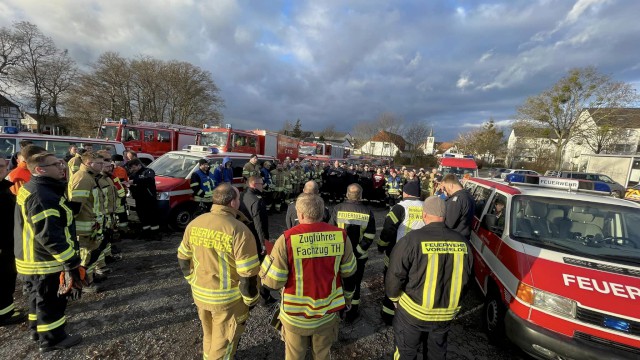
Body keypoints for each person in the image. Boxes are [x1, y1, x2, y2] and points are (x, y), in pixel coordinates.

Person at [259, 194, 357, 360]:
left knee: (294, 356)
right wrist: (347, 299)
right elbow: (349, 273)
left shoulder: (286, 239)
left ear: (300, 214)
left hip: (295, 317)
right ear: (322, 213)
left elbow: (273, 282)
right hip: (327, 313)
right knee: (322, 355)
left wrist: (268, 260)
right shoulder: (341, 236)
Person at [177, 184, 260, 360]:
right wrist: (251, 300)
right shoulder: (239, 231)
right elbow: (248, 274)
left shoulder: (195, 223)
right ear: (232, 203)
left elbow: (183, 257)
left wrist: (192, 279)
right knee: (224, 343)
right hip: (227, 301)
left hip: (200, 294)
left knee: (209, 333)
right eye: (238, 198)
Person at [386, 196, 473, 359]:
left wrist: (394, 297)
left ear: (424, 215)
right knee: (436, 353)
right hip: (445, 314)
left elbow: (395, 274)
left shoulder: (411, 240)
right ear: (445, 215)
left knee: (406, 352)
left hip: (413, 312)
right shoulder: (464, 242)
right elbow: (467, 278)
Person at [14, 152, 83, 352]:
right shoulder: (43, 196)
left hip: (30, 258)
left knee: (37, 299)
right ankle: (52, 338)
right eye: (56, 165)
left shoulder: (34, 188)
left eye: (62, 163)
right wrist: (71, 261)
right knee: (51, 301)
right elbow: (50, 237)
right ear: (39, 169)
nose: (62, 167)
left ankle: (36, 330)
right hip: (43, 261)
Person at [378, 181, 425, 325]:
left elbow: (388, 229)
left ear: (406, 193)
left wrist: (381, 246)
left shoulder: (400, 207)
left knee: (392, 282)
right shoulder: (427, 207)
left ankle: (388, 315)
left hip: (399, 252)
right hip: (421, 254)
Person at [329, 183, 376, 322]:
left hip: (340, 256)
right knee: (355, 283)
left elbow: (331, 232)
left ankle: (338, 309)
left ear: (347, 194)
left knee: (338, 282)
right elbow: (370, 236)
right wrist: (356, 253)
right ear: (360, 195)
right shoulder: (368, 212)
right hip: (359, 257)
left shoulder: (338, 209)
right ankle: (352, 312)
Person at [68, 151, 105, 293]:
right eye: (100, 163)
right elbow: (76, 205)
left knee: (91, 254)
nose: (103, 166)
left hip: (91, 225)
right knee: (85, 256)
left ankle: (88, 278)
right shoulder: (83, 178)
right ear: (89, 163)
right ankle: (84, 283)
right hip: (84, 227)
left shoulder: (90, 177)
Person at [239, 176, 276, 304]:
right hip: (256, 239)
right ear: (254, 184)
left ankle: (248, 293)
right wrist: (263, 244)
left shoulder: (242, 195)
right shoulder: (257, 200)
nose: (263, 185)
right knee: (263, 268)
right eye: (261, 183)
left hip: (244, 237)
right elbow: (259, 224)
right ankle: (264, 297)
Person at [0, 159, 26, 326]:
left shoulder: (3, 187)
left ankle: (6, 309)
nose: (2, 169)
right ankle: (4, 315)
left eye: (2, 165)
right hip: (2, 245)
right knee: (3, 279)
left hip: (8, 241)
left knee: (8, 278)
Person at [126, 158, 161, 240]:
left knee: (152, 217)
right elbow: (132, 186)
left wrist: (134, 182)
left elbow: (149, 179)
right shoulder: (132, 175)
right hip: (139, 199)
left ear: (139, 165)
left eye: (133, 167)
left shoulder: (148, 171)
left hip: (149, 199)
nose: (132, 169)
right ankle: (146, 234)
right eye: (131, 168)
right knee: (143, 217)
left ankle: (155, 234)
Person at [441, 174, 475, 239]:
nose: (444, 190)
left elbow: (449, 223)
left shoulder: (456, 200)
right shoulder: (468, 195)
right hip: (464, 237)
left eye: (445, 187)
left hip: (454, 239)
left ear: (451, 185)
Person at [111, 154, 130, 231]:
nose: (121, 162)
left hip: (121, 195)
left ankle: (122, 229)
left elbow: (125, 181)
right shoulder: (108, 170)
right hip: (112, 195)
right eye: (120, 161)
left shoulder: (122, 170)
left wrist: (125, 189)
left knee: (122, 212)